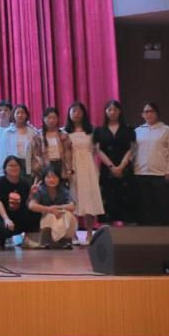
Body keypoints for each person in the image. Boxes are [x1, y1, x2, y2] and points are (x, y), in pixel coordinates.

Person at [93, 100, 137, 225]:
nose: (112, 112)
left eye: (115, 109)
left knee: (126, 199)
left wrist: (121, 166)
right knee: (108, 199)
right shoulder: (99, 130)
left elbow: (132, 149)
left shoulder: (128, 129)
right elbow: (98, 150)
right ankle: (109, 232)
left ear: (120, 111)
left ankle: (128, 232)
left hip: (125, 168)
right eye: (109, 109)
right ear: (105, 112)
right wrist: (112, 167)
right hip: (107, 170)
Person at [65, 102, 103, 245]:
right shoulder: (64, 132)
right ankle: (73, 234)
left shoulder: (91, 130)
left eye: (79, 111)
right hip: (72, 168)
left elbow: (97, 150)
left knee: (89, 199)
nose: (76, 114)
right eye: (73, 111)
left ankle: (89, 233)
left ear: (83, 113)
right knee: (73, 199)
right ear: (69, 113)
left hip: (88, 168)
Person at [134, 102, 169, 226]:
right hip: (141, 173)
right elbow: (131, 152)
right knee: (145, 206)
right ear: (142, 114)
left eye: (152, 111)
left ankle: (166, 233)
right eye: (146, 112)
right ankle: (147, 234)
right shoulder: (137, 131)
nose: (149, 114)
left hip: (160, 174)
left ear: (157, 113)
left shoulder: (166, 130)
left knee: (163, 206)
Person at [0, 155, 40, 249]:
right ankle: (0, 237)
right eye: (10, 165)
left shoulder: (24, 183)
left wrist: (31, 194)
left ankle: (27, 239)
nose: (14, 168)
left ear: (20, 168)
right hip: (1, 216)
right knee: (5, 229)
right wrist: (6, 219)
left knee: (35, 213)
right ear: (5, 168)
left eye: (16, 165)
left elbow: (26, 203)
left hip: (18, 215)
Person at [28, 169, 77, 249]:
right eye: (48, 177)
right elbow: (31, 205)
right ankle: (48, 240)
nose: (52, 180)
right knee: (50, 216)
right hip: (44, 217)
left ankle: (64, 239)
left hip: (60, 216)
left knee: (67, 215)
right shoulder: (40, 190)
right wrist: (50, 210)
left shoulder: (63, 190)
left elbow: (72, 206)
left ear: (59, 179)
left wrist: (56, 207)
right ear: (44, 179)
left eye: (54, 177)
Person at [4, 104, 42, 181]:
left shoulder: (33, 131)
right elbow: (3, 151)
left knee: (28, 184)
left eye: (23, 113)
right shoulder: (8, 132)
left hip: (28, 162)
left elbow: (38, 150)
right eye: (17, 113)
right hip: (13, 162)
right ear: (13, 115)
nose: (20, 115)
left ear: (26, 115)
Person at [39, 107, 72, 182]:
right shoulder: (38, 136)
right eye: (49, 118)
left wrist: (69, 169)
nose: (51, 120)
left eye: (54, 118)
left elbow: (68, 153)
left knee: (62, 187)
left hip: (61, 165)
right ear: (44, 119)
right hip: (46, 166)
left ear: (58, 119)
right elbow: (36, 154)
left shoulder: (63, 135)